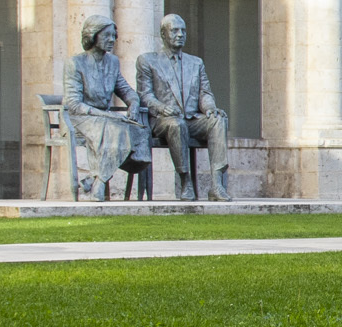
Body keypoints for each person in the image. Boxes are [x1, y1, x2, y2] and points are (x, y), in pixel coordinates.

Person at [137, 13, 231, 202]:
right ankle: (185, 181)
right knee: (176, 124)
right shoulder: (147, 60)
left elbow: (204, 93)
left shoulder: (196, 63)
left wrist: (210, 108)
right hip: (163, 120)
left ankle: (216, 184)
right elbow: (145, 95)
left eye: (183, 31)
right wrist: (162, 108)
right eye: (175, 31)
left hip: (192, 119)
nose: (180, 34)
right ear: (163, 34)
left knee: (218, 119)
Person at [61, 14, 149, 201]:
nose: (112, 40)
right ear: (93, 36)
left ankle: (93, 180)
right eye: (107, 35)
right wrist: (104, 115)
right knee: (114, 129)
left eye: (113, 36)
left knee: (138, 130)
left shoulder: (113, 62)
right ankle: (99, 184)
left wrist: (133, 104)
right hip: (79, 119)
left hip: (103, 120)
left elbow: (126, 90)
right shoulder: (75, 63)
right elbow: (73, 104)